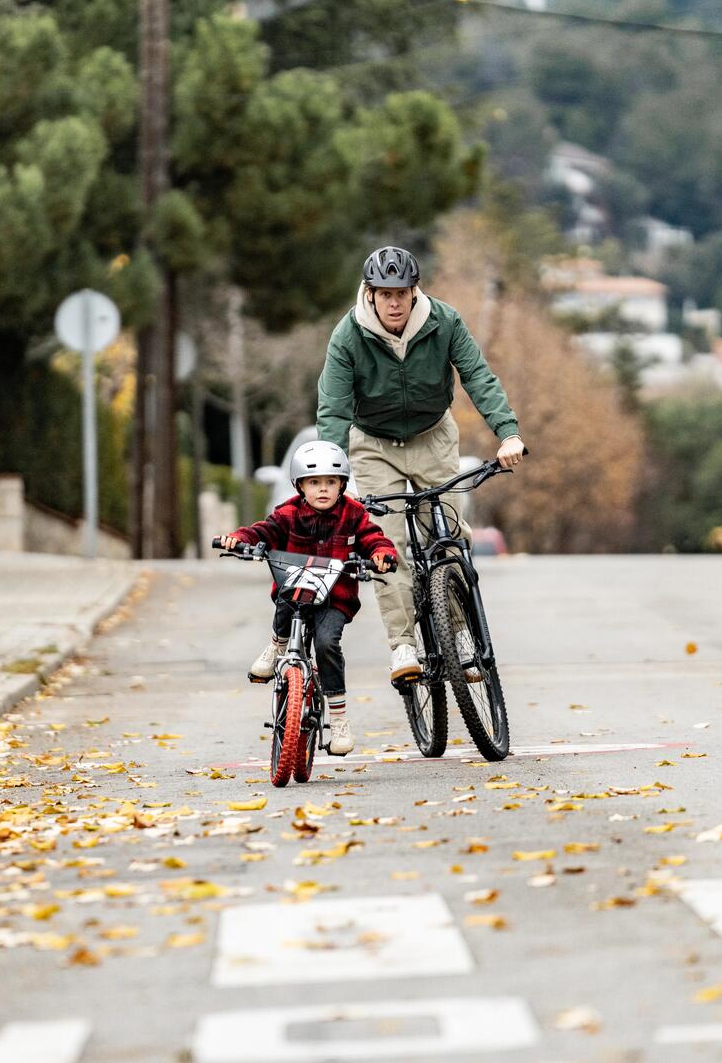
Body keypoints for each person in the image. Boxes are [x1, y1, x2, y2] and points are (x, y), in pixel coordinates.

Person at [315, 245, 526, 685]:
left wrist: (507, 432)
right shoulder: (348, 335)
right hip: (373, 444)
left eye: (403, 293)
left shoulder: (443, 321)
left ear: (415, 291)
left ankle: (460, 637)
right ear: (369, 294)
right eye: (384, 293)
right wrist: (332, 476)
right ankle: (404, 646)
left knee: (448, 535)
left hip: (433, 436)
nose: (394, 302)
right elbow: (333, 409)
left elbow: (478, 376)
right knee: (384, 548)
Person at [216, 441, 398, 756]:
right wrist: (240, 539)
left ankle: (339, 720)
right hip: (296, 588)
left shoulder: (353, 514)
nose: (323, 489)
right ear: (300, 486)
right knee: (286, 601)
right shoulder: (288, 513)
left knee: (327, 644)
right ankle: (277, 645)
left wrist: (382, 553)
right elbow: (263, 531)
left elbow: (373, 537)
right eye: (314, 483)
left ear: (343, 485)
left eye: (331, 482)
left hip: (335, 598)